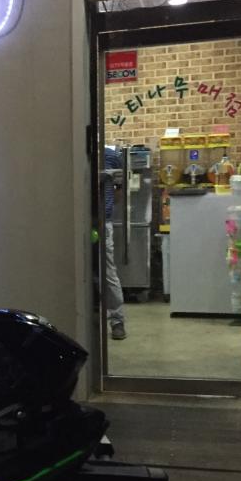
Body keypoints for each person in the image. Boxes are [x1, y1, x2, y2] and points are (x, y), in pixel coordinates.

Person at [103, 146, 127, 340]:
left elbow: (120, 191)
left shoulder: (112, 156)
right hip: (76, 222)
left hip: (103, 222)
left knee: (109, 273)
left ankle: (117, 320)